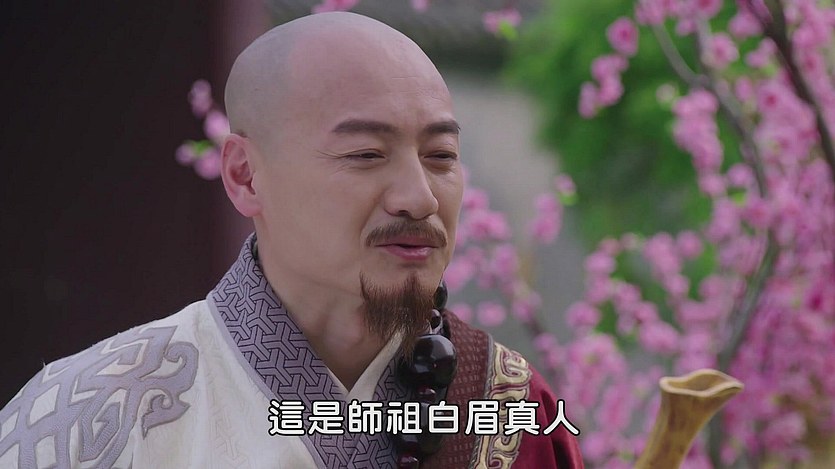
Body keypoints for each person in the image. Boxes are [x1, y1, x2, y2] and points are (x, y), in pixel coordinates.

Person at [0, 12, 582, 469]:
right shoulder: (87, 421)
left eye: (441, 156)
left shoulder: (513, 412)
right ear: (246, 176)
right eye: (366, 154)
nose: (420, 197)